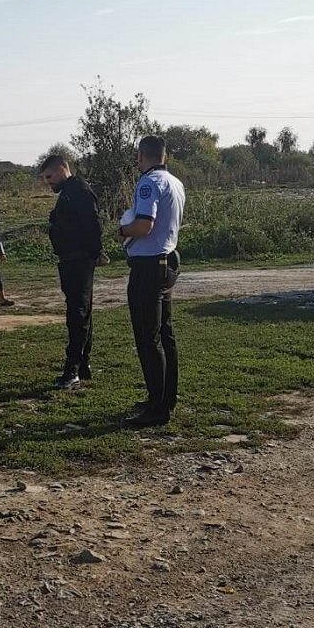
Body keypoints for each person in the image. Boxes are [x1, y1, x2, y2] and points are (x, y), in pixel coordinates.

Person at [118, 136, 186, 427]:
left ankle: (157, 408)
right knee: (164, 334)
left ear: (141, 156)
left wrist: (123, 231)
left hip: (148, 267)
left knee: (148, 338)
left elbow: (144, 225)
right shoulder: (175, 182)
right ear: (164, 156)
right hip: (167, 262)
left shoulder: (149, 183)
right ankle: (166, 398)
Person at [40, 152, 107, 389]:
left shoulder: (79, 190)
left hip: (79, 261)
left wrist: (95, 253)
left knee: (77, 315)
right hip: (71, 260)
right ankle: (83, 364)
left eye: (49, 177)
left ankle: (73, 370)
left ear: (61, 169)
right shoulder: (69, 191)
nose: (48, 182)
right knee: (81, 312)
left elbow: (93, 224)